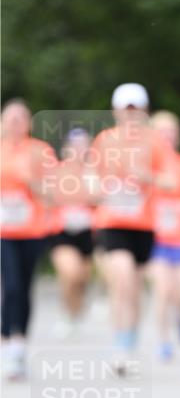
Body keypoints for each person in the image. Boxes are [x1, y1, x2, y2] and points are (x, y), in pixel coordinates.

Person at [92, 84, 174, 371]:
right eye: (125, 110)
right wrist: (98, 188)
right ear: (115, 112)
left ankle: (129, 339)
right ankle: (119, 346)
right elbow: (92, 178)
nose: (131, 116)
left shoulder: (155, 143)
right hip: (112, 223)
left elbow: (172, 182)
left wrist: (146, 176)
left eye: (135, 110)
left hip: (143, 225)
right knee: (122, 278)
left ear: (144, 112)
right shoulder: (104, 140)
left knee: (134, 287)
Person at [1, 99, 57, 380]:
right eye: (10, 118)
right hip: (3, 233)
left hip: (32, 231)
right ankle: (8, 339)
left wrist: (31, 181)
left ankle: (19, 344)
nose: (15, 123)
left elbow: (53, 194)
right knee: (10, 285)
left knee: (23, 287)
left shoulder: (41, 151)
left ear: (29, 124)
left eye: (20, 118)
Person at [148, 111, 180, 361]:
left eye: (171, 132)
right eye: (161, 132)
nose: (166, 137)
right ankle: (163, 340)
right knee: (163, 289)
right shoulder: (145, 167)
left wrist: (176, 208)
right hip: (156, 240)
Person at [48, 127, 97, 339]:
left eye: (83, 145)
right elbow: (49, 198)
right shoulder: (56, 171)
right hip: (62, 230)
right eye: (75, 145)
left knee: (81, 279)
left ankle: (76, 313)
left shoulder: (94, 172)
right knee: (71, 273)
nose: (79, 150)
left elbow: (100, 198)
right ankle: (67, 314)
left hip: (88, 232)